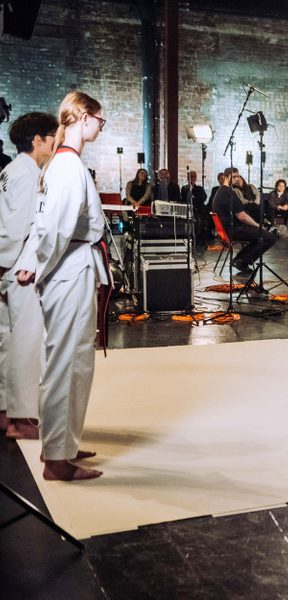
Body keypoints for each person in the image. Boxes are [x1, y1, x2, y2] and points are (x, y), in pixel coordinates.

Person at [11, 91, 111, 480]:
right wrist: (36, 265)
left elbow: (43, 226)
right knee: (65, 364)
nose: (100, 128)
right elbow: (54, 228)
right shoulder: (68, 167)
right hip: (68, 269)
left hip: (68, 266)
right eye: (99, 121)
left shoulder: (61, 164)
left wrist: (32, 263)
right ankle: (56, 459)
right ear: (83, 117)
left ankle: (63, 444)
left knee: (74, 362)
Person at [0, 112, 57, 440]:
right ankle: (22, 418)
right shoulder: (28, 173)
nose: (54, 143)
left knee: (7, 342)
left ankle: (6, 410)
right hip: (19, 266)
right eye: (51, 136)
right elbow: (20, 226)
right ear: (37, 139)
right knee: (25, 343)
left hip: (9, 264)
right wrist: (7, 262)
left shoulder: (11, 170)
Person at [211, 167, 276, 274]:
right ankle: (242, 261)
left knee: (260, 236)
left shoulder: (222, 191)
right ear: (226, 177)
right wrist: (258, 226)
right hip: (231, 230)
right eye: (234, 177)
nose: (237, 179)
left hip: (227, 229)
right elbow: (242, 216)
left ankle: (239, 260)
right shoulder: (228, 193)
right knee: (269, 237)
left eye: (238, 176)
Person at [181, 170, 212, 243]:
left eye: (194, 176)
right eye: (191, 176)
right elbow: (184, 199)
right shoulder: (185, 188)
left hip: (199, 208)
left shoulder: (200, 188)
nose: (192, 178)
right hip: (189, 209)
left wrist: (194, 198)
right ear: (188, 178)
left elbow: (204, 197)